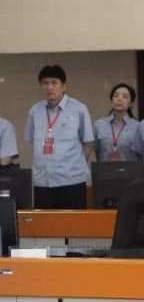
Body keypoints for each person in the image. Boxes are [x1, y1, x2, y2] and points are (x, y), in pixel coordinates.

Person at [25, 65, 95, 209]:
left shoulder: (79, 109)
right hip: (42, 181)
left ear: (64, 86)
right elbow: (31, 141)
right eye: (45, 83)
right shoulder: (35, 111)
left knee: (73, 222)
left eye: (54, 83)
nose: (49, 87)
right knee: (45, 223)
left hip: (72, 181)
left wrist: (74, 165)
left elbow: (88, 143)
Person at [93, 83, 143, 162]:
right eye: (116, 96)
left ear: (131, 103)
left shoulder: (138, 127)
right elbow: (96, 151)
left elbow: (142, 155)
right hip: (105, 169)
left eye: (125, 97)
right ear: (112, 100)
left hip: (130, 169)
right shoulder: (99, 125)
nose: (119, 99)